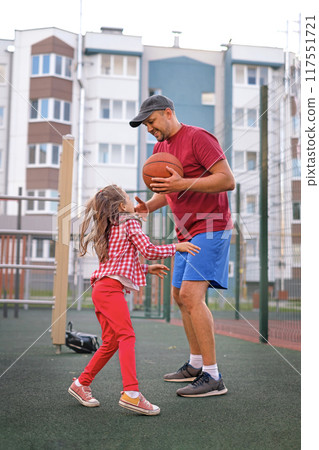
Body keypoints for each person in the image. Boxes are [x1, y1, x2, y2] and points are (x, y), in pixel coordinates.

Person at [130, 95, 235, 398]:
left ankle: (214, 377)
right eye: (145, 125)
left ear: (168, 113)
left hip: (211, 227)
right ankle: (196, 364)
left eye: (151, 121)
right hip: (186, 233)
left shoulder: (198, 138)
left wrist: (182, 183)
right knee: (178, 295)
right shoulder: (160, 148)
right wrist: (149, 207)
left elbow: (227, 180)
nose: (149, 128)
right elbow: (169, 190)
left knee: (191, 294)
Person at [68, 184, 200, 415]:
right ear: (122, 206)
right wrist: (176, 247)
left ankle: (81, 383)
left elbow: (119, 263)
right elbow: (147, 249)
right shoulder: (129, 222)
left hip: (102, 289)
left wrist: (146, 269)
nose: (133, 202)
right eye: (128, 199)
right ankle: (131, 393)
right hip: (109, 290)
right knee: (127, 336)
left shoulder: (112, 226)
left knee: (111, 342)